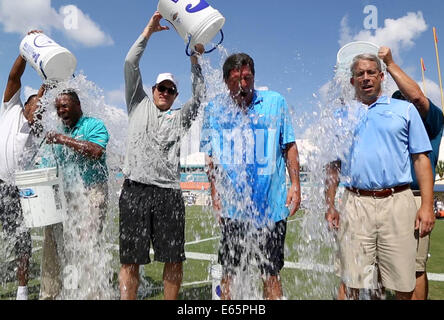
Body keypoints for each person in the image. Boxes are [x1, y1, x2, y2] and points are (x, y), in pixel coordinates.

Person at [325, 53, 435, 300]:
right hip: (354, 202)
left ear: (382, 77)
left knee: (403, 283)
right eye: (359, 74)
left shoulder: (404, 109)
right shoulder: (340, 116)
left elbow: (421, 159)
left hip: (397, 201)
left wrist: (427, 205)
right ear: (352, 81)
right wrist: (330, 205)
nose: (366, 78)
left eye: (371, 72)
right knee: (352, 282)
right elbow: (333, 166)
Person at [118, 11, 205, 300]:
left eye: (171, 90)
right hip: (135, 190)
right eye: (161, 88)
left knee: (174, 258)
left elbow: (201, 93)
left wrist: (194, 60)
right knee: (130, 259)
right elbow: (130, 62)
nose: (166, 92)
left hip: (169, 193)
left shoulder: (181, 117)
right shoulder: (137, 103)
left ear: (175, 95)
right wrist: (148, 31)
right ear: (152, 89)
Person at [200, 53, 301, 300]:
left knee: (271, 273)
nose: (242, 86)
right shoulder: (214, 109)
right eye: (236, 80)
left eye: (247, 78)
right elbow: (211, 158)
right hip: (234, 208)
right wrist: (215, 195)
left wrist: (296, 185)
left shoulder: (275, 102)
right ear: (225, 81)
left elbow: (289, 145)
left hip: (271, 206)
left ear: (254, 77)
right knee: (229, 274)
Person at [378, 46, 444, 300]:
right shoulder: (391, 128)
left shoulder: (431, 118)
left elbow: (416, 98)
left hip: (415, 196)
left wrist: (390, 64)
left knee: (414, 268)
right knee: (380, 268)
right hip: (385, 198)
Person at [40, 89, 110, 299]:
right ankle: (52, 293)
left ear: (78, 106)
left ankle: (92, 293)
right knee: (52, 244)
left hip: (91, 193)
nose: (60, 111)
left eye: (65, 106)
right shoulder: (57, 133)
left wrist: (63, 139)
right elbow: (46, 166)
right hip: (65, 196)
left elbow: (96, 151)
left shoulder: (93, 125)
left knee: (87, 244)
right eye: (58, 108)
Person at [0, 31, 45, 300]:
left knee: (22, 240)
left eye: (42, 109)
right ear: (26, 104)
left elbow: (46, 94)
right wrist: (26, 51)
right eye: (36, 106)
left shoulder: (38, 130)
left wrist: (48, 88)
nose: (39, 111)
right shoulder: (11, 108)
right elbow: (14, 77)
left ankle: (22, 289)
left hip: (17, 191)